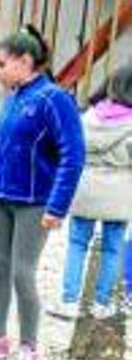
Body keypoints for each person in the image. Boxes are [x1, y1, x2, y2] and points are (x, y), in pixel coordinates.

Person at [0, 25, 85, 360]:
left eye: (1, 64)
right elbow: (3, 148)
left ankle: (29, 348)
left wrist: (57, 207)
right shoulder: (14, 97)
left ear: (25, 61)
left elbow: (72, 155)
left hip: (35, 204)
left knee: (22, 272)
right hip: (3, 199)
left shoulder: (54, 99)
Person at [47, 64, 132, 321]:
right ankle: (101, 303)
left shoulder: (89, 117)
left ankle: (69, 301)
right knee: (112, 248)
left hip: (84, 190)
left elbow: (72, 150)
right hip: (118, 196)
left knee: (77, 244)